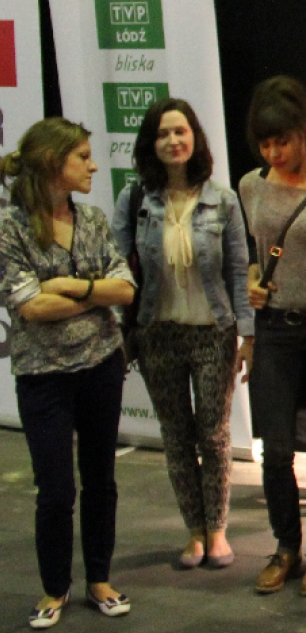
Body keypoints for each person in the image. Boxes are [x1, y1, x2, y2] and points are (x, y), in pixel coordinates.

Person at [0, 117, 137, 629]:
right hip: (44, 377)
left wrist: (69, 286)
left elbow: (125, 289)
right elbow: (30, 307)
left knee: (101, 479)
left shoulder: (95, 220)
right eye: (82, 156)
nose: (93, 166)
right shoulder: (10, 227)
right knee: (56, 490)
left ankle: (99, 579)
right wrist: (93, 292)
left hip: (102, 365)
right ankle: (54, 587)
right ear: (52, 162)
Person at [109, 97, 253, 573]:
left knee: (213, 434)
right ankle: (193, 531)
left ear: (195, 138)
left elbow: (238, 272)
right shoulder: (134, 200)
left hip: (213, 332)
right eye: (163, 134)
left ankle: (218, 529)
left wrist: (247, 335)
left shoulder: (223, 199)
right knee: (175, 435)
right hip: (157, 333)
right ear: (151, 144)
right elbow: (118, 269)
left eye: (181, 131)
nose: (173, 141)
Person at [239, 76, 306, 596]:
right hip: (275, 327)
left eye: (281, 141)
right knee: (277, 448)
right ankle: (286, 545)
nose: (273, 153)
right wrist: (252, 281)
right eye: (264, 144)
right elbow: (252, 256)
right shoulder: (250, 185)